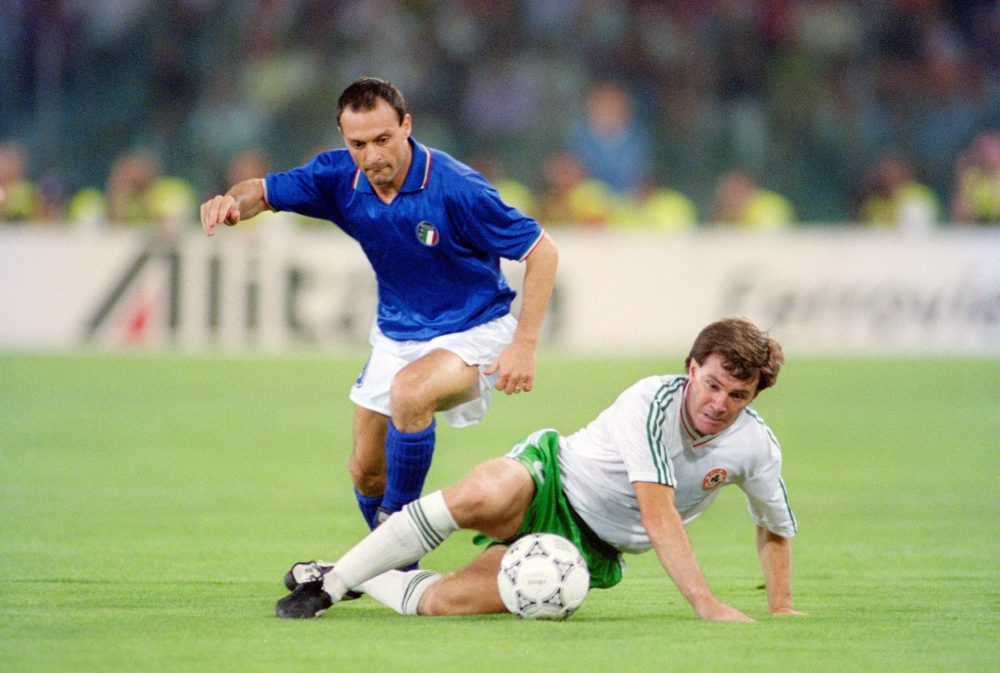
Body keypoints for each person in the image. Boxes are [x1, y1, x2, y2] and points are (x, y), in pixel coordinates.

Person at [200, 78, 559, 538]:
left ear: (406, 126)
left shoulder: (455, 187)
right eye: (358, 143)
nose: (372, 155)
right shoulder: (338, 178)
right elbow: (263, 191)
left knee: (409, 393)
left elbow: (541, 250)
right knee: (366, 470)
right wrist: (233, 202)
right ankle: (400, 569)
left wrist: (524, 347)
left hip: (474, 328)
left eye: (383, 139)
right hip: (397, 333)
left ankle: (396, 536)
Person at [275, 317, 802, 622]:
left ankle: (356, 576)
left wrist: (780, 606)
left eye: (738, 395)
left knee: (442, 603)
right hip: (550, 478)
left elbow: (775, 527)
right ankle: (335, 584)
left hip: (588, 549)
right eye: (712, 383)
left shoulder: (754, 445)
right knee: (482, 493)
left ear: (754, 396)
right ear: (692, 368)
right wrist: (705, 604)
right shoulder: (650, 401)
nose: (719, 403)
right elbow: (658, 512)